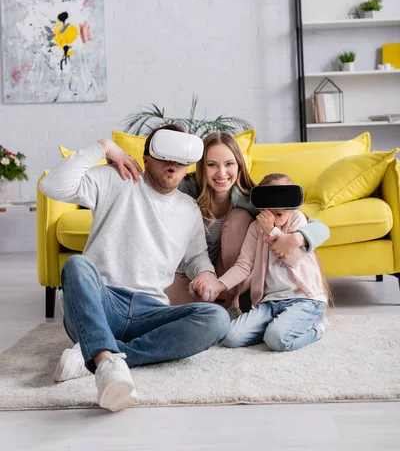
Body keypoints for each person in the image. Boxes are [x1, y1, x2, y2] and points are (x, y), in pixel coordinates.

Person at [39, 124, 230, 412]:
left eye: (180, 159)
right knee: (77, 265)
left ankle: (98, 355)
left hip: (150, 310)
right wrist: (103, 147)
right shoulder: (117, 180)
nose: (173, 164)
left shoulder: (189, 209)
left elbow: (195, 258)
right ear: (146, 158)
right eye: (165, 155)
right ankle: (104, 359)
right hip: (102, 302)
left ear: (189, 165)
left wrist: (206, 274)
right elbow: (52, 185)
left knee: (216, 318)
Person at [167, 132, 330, 317]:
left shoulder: (252, 199)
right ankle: (218, 305)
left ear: (239, 165)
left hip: (232, 274)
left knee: (239, 217)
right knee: (177, 310)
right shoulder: (186, 189)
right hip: (192, 270)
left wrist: (296, 238)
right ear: (202, 168)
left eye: (229, 164)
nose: (221, 173)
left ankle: (231, 299)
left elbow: (319, 227)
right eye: (212, 165)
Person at [191, 173, 330, 352]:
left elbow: (293, 260)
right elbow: (243, 265)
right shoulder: (256, 228)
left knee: (277, 340)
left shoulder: (297, 220)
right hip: (269, 303)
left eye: (284, 198)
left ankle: (317, 328)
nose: (277, 206)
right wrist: (219, 285)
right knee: (231, 337)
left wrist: (271, 231)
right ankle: (279, 325)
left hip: (302, 300)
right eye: (270, 199)